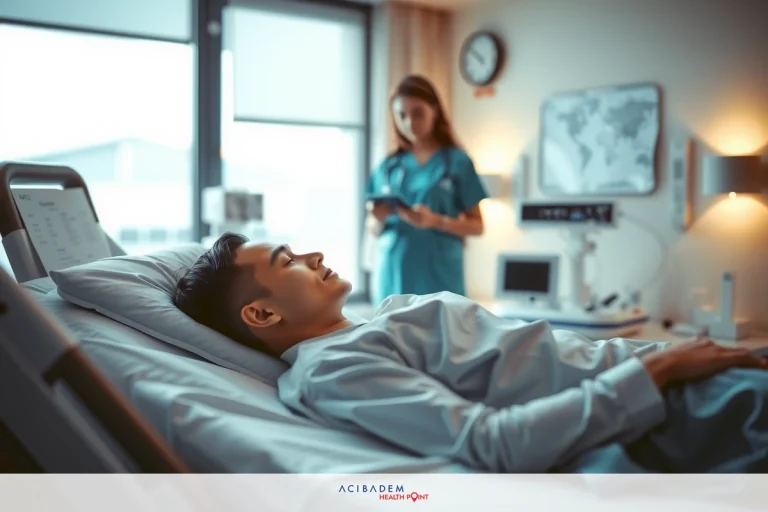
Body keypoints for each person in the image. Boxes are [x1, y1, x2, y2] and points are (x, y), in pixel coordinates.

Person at [173, 233, 768, 473]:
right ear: (261, 314)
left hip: (677, 377)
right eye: (289, 262)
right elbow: (493, 443)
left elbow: (565, 351)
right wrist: (659, 367)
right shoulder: (334, 369)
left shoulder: (381, 317)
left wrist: (682, 350)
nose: (312, 256)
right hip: (666, 412)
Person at [365, 75, 488, 305]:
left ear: (435, 110)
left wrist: (436, 221)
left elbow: (478, 226)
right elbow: (372, 228)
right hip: (393, 278)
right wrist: (377, 219)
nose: (410, 123)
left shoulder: (457, 162)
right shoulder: (387, 166)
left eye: (418, 113)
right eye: (402, 115)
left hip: (439, 278)